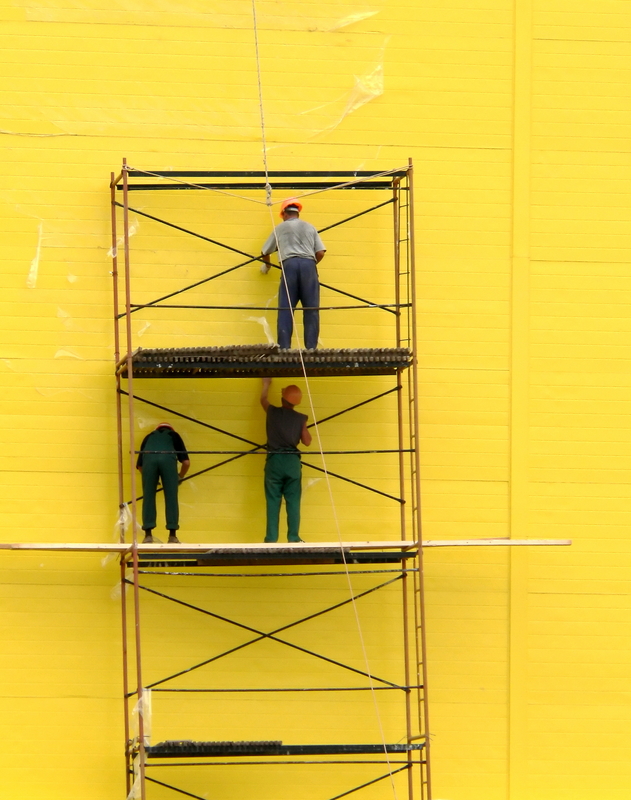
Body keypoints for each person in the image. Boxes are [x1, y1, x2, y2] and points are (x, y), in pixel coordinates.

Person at [260, 199, 326, 350]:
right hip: (309, 265)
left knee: (286, 308)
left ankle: (284, 348)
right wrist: (309, 266)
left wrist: (267, 266)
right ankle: (311, 348)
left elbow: (265, 251)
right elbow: (320, 252)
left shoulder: (280, 228)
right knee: (311, 309)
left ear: (283, 214)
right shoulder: (310, 227)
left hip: (288, 265)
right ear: (297, 213)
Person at [260, 377, 312, 543]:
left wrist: (266, 384)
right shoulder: (300, 418)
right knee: (293, 501)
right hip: (292, 463)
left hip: (275, 461)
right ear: (297, 402)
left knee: (273, 501)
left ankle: (271, 539)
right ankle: (294, 537)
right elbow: (307, 441)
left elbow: (263, 399)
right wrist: (301, 425)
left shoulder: (272, 412)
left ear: (283, 398)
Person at [136, 422, 190, 544]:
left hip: (149, 463)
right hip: (167, 461)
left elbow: (140, 466)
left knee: (148, 497)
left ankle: (148, 536)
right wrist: (179, 477)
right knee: (171, 497)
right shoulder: (174, 435)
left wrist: (151, 479)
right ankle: (172, 536)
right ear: (170, 428)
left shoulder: (148, 437)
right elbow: (186, 463)